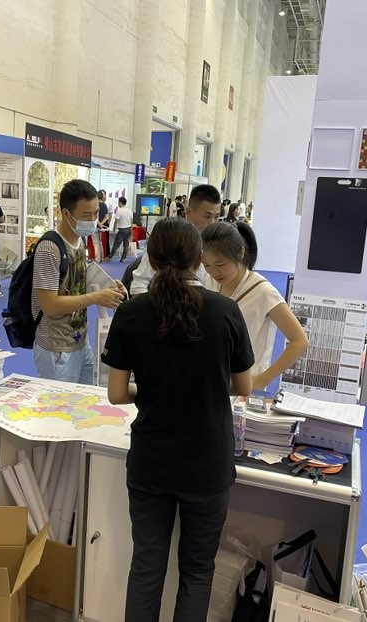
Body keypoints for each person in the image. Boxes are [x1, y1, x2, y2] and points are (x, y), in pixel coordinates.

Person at [101, 218, 254, 620]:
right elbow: (244, 386)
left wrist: (152, 390)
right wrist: (202, 386)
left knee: (146, 567)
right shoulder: (225, 310)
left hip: (152, 461)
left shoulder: (131, 313)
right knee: (198, 571)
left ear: (150, 260)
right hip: (208, 463)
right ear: (199, 260)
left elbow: (117, 394)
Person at [32, 179, 126, 384]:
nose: (93, 220)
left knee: (87, 398)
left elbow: (79, 280)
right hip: (56, 347)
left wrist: (109, 287)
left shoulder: (79, 240)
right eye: (86, 215)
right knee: (59, 403)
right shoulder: (49, 248)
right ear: (66, 214)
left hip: (80, 341)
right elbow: (49, 305)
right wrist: (96, 297)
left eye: (95, 214)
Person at [202, 222, 309, 391]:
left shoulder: (262, 291)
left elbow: (300, 341)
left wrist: (262, 380)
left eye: (220, 264)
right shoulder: (209, 282)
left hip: (243, 388)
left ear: (240, 252)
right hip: (211, 382)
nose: (214, 272)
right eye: (207, 265)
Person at [130, 184, 221, 295]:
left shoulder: (218, 243)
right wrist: (148, 306)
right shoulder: (169, 237)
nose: (213, 223)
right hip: (163, 302)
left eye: (217, 217)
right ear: (189, 212)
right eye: (207, 216)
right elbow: (139, 284)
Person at [108, 196, 134, 262]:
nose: (118, 203)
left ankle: (110, 257)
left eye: (118, 202)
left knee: (116, 244)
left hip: (122, 230)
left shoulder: (119, 211)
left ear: (120, 203)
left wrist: (114, 230)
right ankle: (123, 258)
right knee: (126, 245)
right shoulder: (129, 210)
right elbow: (131, 222)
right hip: (128, 229)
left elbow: (116, 222)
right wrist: (131, 230)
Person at [94, 189, 110, 262]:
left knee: (96, 243)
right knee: (100, 243)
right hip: (102, 227)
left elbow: (95, 216)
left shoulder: (96, 205)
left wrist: (99, 224)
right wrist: (102, 224)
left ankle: (97, 259)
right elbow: (107, 217)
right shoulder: (105, 205)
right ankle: (102, 258)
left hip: (95, 226)